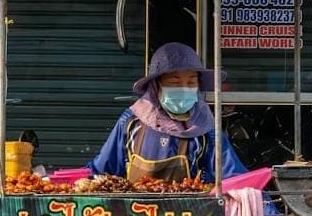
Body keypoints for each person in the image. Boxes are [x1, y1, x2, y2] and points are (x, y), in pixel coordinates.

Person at [88, 42, 248, 185]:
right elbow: (101, 172)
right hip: (136, 209)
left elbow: (235, 178)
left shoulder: (206, 128)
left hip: (190, 210)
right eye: (174, 82)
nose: (184, 88)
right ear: (156, 86)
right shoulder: (131, 122)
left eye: (191, 82)